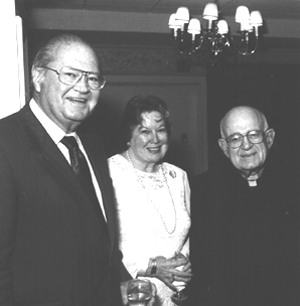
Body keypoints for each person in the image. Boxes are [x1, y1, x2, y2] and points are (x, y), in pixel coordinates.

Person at [0, 34, 157, 306]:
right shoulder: (6, 142)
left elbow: (97, 236)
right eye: (70, 74)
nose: (83, 87)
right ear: (38, 77)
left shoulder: (92, 143)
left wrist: (119, 283)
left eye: (92, 78)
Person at [188, 106, 298, 306]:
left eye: (254, 135)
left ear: (269, 138)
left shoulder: (293, 185)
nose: (246, 146)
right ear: (224, 146)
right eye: (235, 138)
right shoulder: (200, 191)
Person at [108, 95, 193, 306]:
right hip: (132, 295)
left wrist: (185, 262)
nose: (155, 139)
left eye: (161, 129)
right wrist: (152, 267)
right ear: (129, 136)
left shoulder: (178, 176)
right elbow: (101, 246)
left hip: (176, 296)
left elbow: (186, 233)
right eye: (145, 131)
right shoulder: (108, 173)